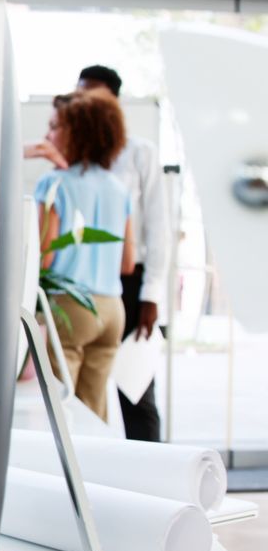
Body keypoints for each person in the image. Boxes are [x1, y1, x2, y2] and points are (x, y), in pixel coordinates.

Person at [76, 65, 170, 442]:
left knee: (136, 390)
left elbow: (158, 227)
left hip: (131, 281)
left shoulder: (140, 152)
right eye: (81, 95)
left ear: (114, 101)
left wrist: (151, 294)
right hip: (85, 280)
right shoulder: (77, 155)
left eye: (95, 96)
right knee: (84, 391)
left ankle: (149, 481)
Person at [34, 89, 137, 422]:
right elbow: (127, 263)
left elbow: (44, 258)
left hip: (70, 306)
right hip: (111, 308)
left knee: (59, 414)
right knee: (93, 416)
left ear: (76, 133)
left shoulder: (54, 184)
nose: (47, 135)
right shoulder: (118, 187)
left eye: (53, 127)